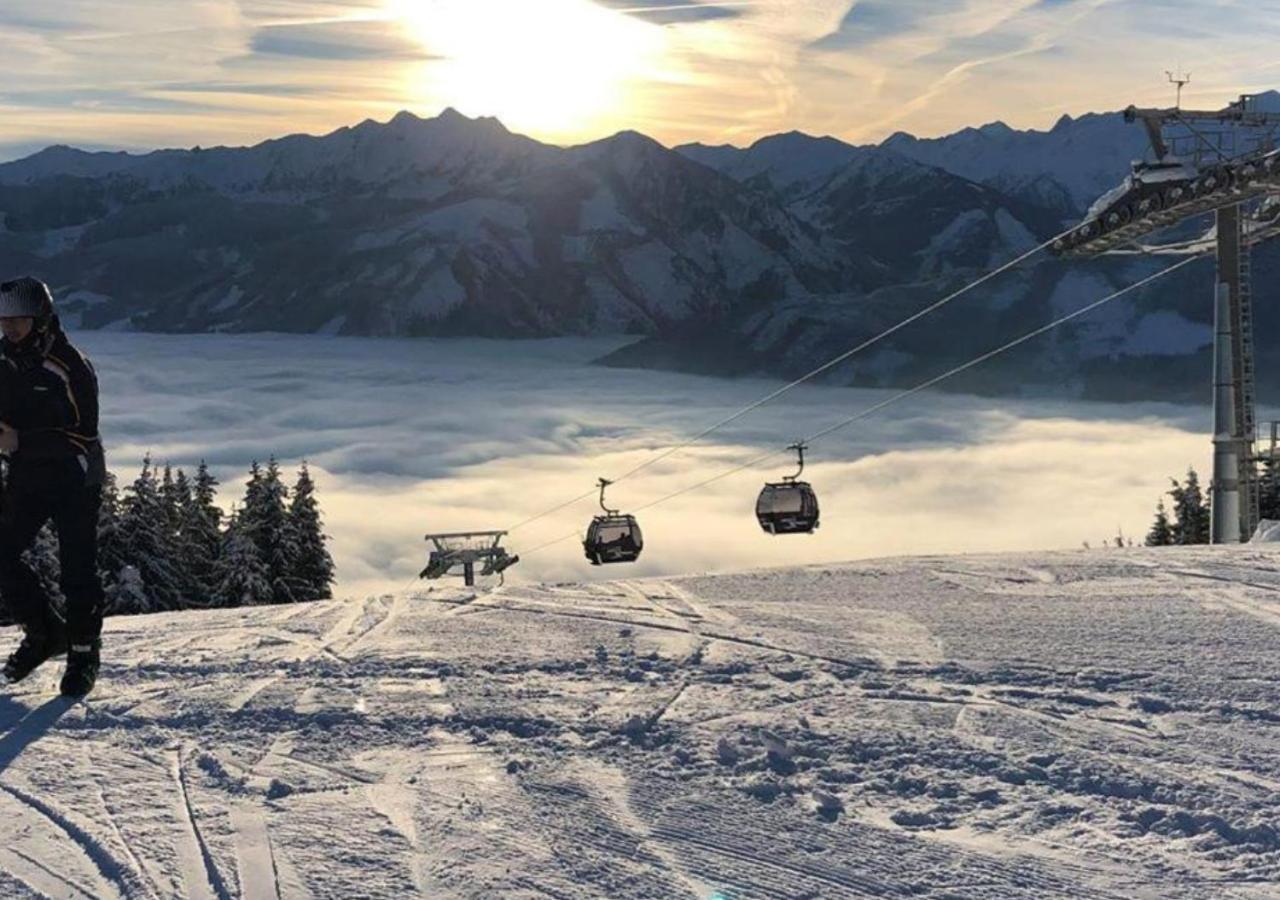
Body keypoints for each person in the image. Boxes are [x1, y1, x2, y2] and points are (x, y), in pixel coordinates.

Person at [0, 276, 106, 696]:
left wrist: (19, 441)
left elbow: (84, 432)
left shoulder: (69, 365)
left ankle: (83, 652)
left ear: (41, 319)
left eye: (19, 321)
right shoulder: (4, 360)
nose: (10, 329)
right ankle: (46, 633)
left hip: (75, 475)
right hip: (28, 472)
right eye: (4, 320)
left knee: (76, 568)